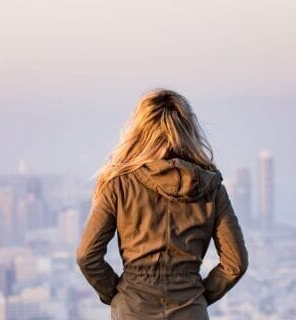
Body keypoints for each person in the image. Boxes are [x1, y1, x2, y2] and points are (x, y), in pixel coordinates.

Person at [77, 89, 248, 319]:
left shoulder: (118, 184)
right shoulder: (211, 187)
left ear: (139, 131)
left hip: (132, 309)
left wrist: (118, 294)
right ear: (188, 130)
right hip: (190, 310)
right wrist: (197, 296)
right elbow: (235, 263)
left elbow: (87, 256)